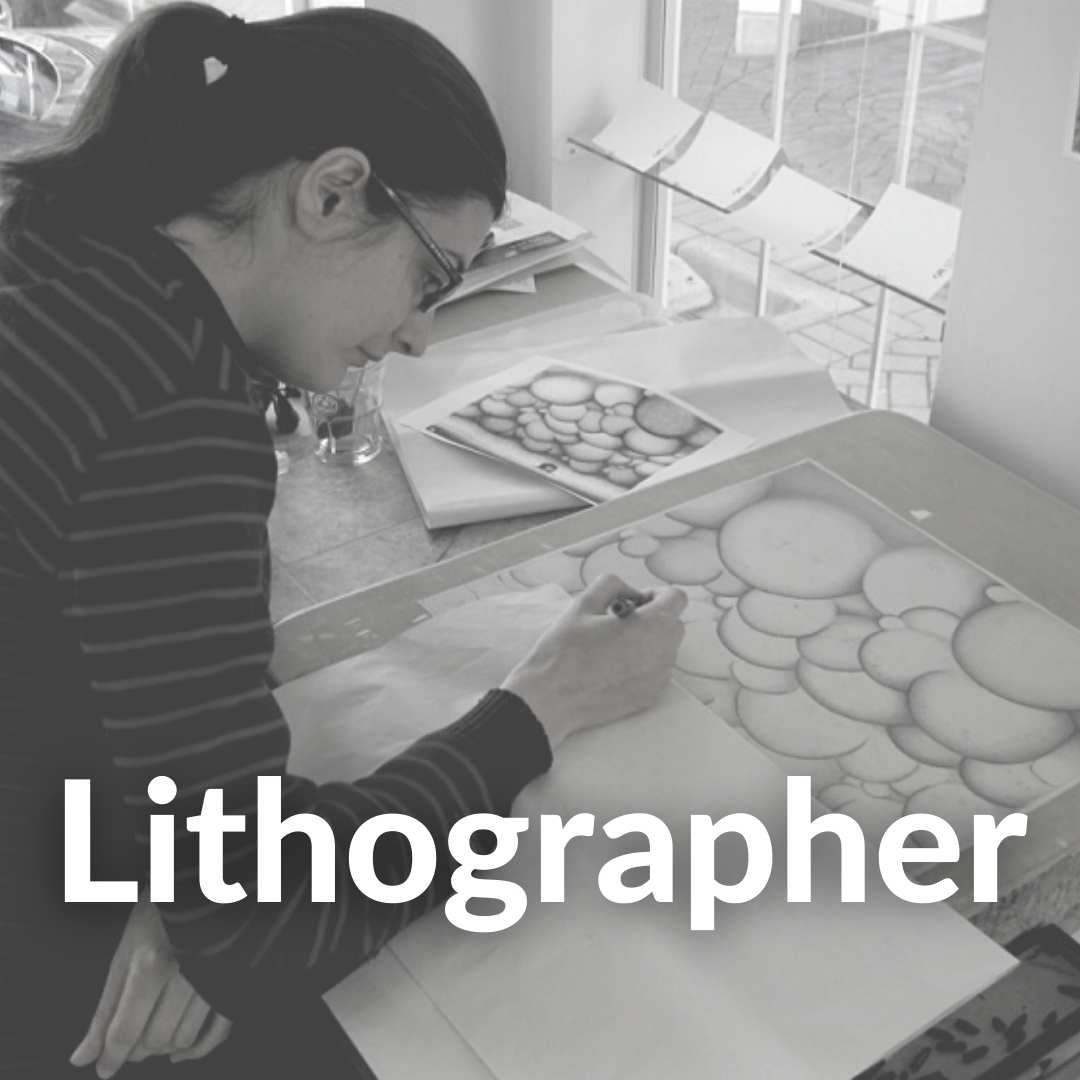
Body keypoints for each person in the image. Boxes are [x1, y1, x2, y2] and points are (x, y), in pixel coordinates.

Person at [0, 5, 687, 1078]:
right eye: (433, 277)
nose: (419, 334)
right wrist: (543, 707)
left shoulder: (49, 240)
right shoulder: (168, 412)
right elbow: (262, 927)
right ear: (331, 191)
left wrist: (170, 860)